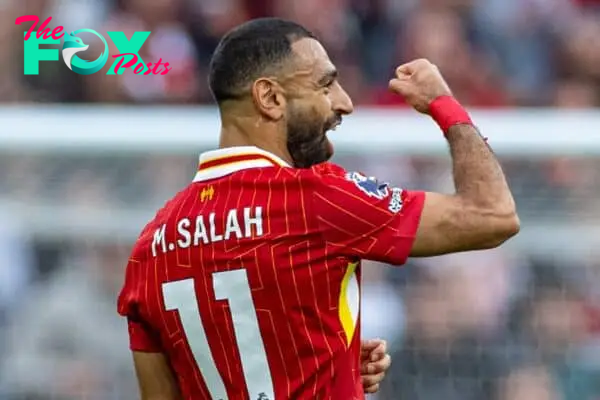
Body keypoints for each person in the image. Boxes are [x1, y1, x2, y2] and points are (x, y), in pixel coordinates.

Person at [117, 17, 519, 400]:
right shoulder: (318, 198)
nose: (344, 103)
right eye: (325, 85)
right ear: (270, 98)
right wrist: (443, 103)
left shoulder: (150, 246)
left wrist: (331, 362)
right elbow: (492, 214)